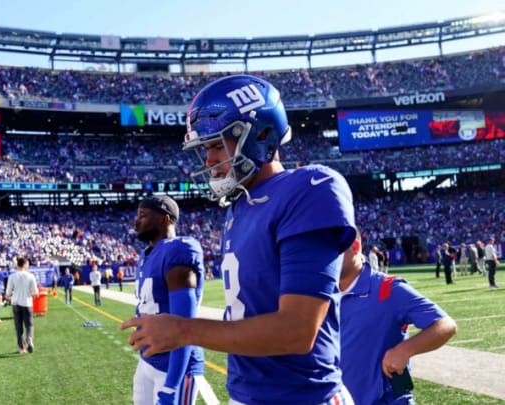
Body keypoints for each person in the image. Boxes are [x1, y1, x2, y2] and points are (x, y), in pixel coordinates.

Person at [121, 74, 357, 404]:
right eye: (205, 149)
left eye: (217, 145)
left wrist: (183, 329)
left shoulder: (311, 186)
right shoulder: (238, 208)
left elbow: (298, 330)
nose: (209, 160)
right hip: (245, 394)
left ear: (261, 133)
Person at [339, 229, 457, 404]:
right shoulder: (321, 295)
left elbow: (446, 324)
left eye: (328, 251)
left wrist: (404, 350)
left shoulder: (388, 288)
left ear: (355, 247)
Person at [132, 196, 206, 405]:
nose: (136, 221)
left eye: (143, 215)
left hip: (174, 365)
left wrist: (171, 385)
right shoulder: (146, 255)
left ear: (165, 220)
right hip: (148, 360)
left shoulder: (177, 250)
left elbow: (185, 328)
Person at [5, 256, 39, 354]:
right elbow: (35, 293)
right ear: (24, 264)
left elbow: (7, 294)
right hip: (27, 303)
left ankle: (22, 348)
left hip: (15, 303)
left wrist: (9, 297)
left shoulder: (12, 276)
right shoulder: (30, 276)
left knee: (18, 327)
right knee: (29, 325)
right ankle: (29, 338)